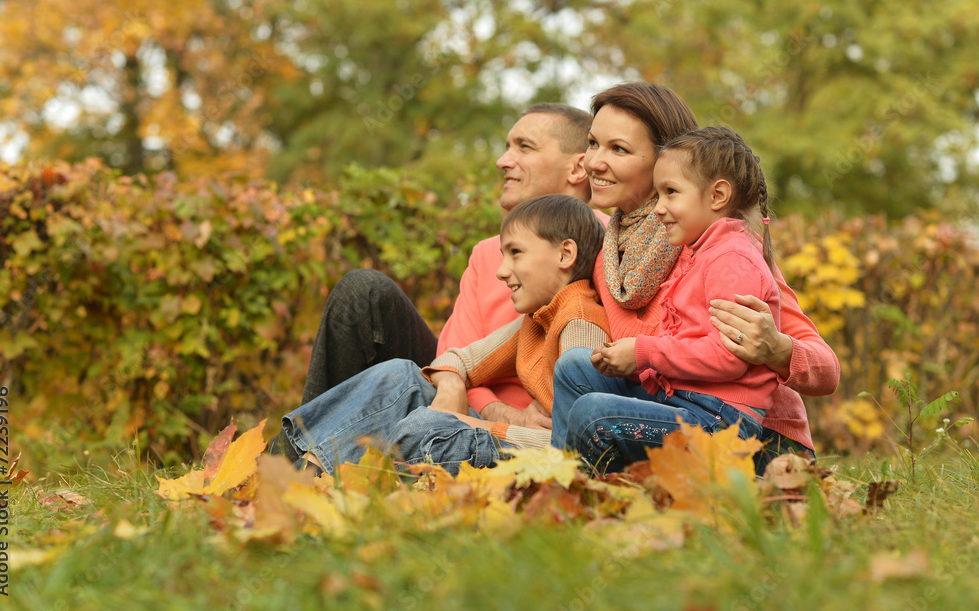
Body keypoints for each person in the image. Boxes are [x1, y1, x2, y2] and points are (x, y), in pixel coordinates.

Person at [267, 103, 602, 459]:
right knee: (363, 293)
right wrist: (490, 409)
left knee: (402, 383)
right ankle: (295, 457)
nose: (503, 160)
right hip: (462, 404)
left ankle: (293, 465)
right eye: (507, 146)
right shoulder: (488, 254)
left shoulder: (607, 251)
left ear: (578, 167)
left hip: (538, 437)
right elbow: (451, 361)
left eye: (524, 147)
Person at [547, 82, 840, 475]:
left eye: (618, 149)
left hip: (755, 435)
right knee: (576, 365)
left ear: (664, 158)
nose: (594, 162)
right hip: (671, 406)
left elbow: (827, 371)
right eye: (593, 143)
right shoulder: (608, 259)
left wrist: (778, 349)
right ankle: (574, 487)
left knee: (593, 412)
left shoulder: (725, 250)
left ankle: (588, 495)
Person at [278, 194, 609, 474]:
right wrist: (451, 385)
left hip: (541, 462)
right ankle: (294, 472)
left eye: (516, 253)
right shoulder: (539, 320)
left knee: (424, 426)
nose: (501, 271)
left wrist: (477, 424)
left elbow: (576, 450)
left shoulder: (579, 328)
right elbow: (460, 358)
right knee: (400, 376)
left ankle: (326, 486)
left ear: (566, 254)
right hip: (507, 438)